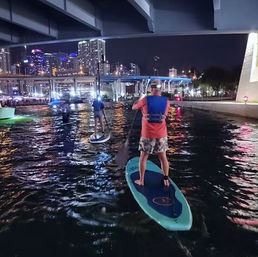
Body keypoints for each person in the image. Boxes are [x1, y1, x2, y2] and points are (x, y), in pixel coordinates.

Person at [132, 80, 170, 187]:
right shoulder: (167, 101)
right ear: (161, 89)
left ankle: (141, 180)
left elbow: (134, 107)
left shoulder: (145, 100)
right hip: (161, 135)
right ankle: (166, 180)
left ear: (151, 89)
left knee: (143, 157)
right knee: (163, 157)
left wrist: (140, 98)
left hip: (147, 134)